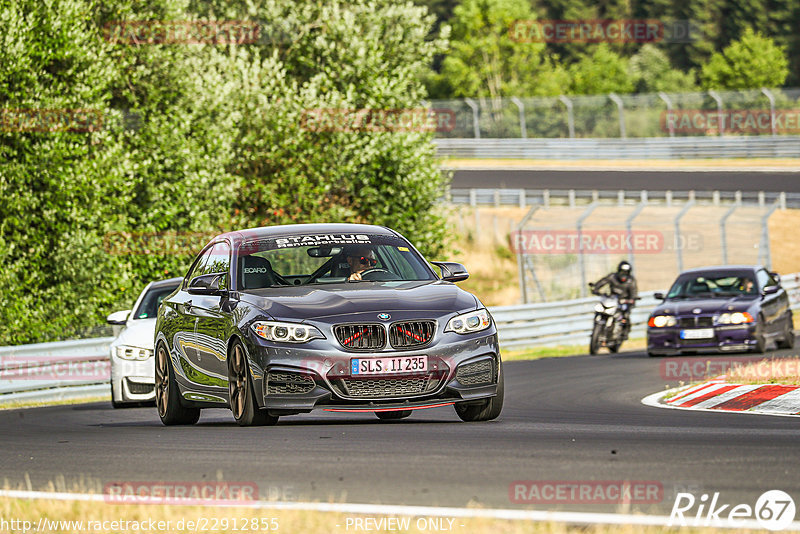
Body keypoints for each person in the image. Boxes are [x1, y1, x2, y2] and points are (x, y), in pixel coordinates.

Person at [591, 260, 638, 339]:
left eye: (626, 273)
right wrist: (596, 287)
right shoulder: (613, 276)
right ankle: (597, 327)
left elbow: (634, 292)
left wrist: (632, 299)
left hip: (624, 301)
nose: (623, 275)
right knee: (600, 308)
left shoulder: (631, 281)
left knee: (625, 315)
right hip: (612, 299)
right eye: (622, 272)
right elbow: (603, 281)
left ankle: (624, 332)